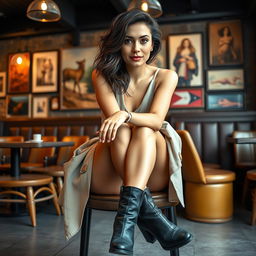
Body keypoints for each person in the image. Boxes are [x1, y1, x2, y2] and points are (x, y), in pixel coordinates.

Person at [59, 9, 192, 255]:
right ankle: (150, 221)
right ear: (118, 43)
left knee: (145, 130)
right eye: (128, 40)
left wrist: (127, 114)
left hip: (155, 165)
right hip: (110, 163)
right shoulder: (101, 74)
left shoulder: (167, 76)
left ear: (153, 44)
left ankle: (125, 226)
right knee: (120, 130)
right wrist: (121, 117)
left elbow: (156, 119)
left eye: (143, 40)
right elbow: (114, 121)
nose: (136, 48)